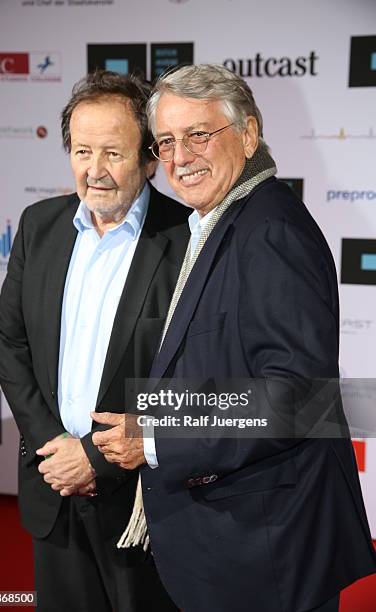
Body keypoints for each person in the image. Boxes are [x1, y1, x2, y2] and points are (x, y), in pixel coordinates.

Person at [91, 64, 376, 612]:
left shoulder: (269, 230)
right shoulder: (222, 221)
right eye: (166, 142)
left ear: (248, 134)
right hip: (236, 543)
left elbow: (296, 399)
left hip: (267, 553)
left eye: (199, 135)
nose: (179, 157)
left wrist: (154, 440)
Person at [0, 70, 189, 612]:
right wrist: (53, 444)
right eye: (81, 151)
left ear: (151, 159)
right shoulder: (39, 225)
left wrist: (96, 461)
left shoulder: (188, 239)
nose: (94, 171)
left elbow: (193, 377)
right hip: (51, 486)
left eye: (112, 153)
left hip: (143, 506)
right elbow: (7, 340)